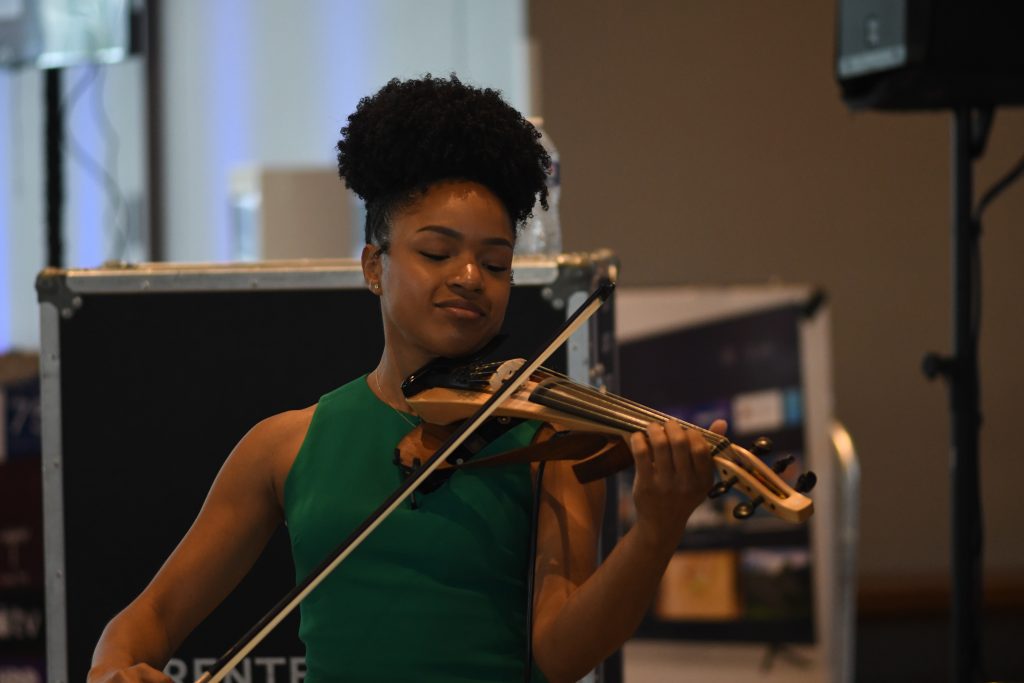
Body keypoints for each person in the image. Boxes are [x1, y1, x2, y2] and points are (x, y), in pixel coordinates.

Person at [88, 75, 725, 683]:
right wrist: (114, 667)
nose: (471, 277)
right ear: (374, 265)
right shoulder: (282, 447)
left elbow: (560, 656)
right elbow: (148, 619)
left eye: (496, 262)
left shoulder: (546, 446)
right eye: (436, 253)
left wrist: (656, 529)